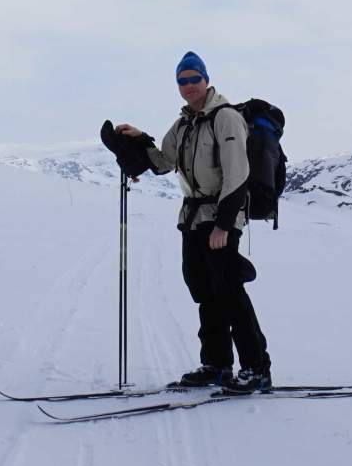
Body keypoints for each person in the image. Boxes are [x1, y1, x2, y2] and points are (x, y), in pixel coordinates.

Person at [114, 51, 272, 392]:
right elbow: (163, 163)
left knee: (229, 291)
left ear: (206, 79)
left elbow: (237, 174)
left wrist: (225, 225)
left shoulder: (225, 118)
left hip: (220, 216)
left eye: (193, 79)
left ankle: (257, 368)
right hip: (193, 217)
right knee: (205, 291)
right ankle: (216, 365)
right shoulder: (183, 123)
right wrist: (138, 141)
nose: (188, 86)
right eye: (182, 81)